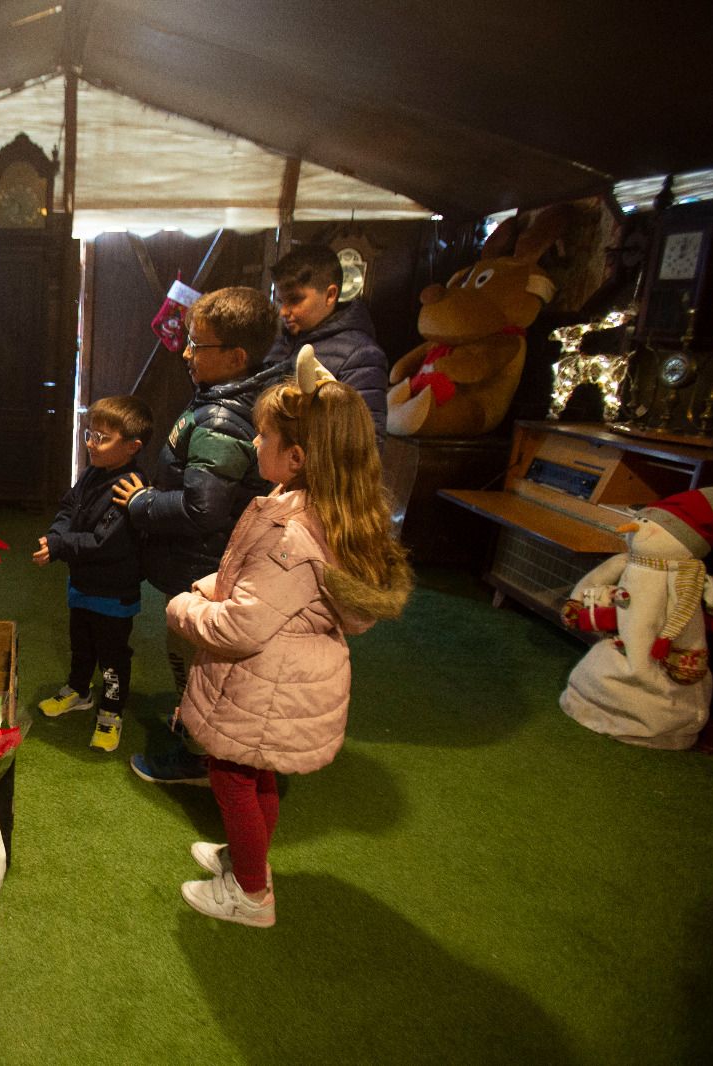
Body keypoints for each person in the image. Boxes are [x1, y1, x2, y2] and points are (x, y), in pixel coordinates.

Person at [171, 348, 411, 926]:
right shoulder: (312, 510)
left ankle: (252, 894)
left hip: (266, 681)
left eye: (263, 436)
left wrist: (183, 607)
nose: (255, 445)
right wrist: (214, 584)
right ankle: (246, 858)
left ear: (297, 456)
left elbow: (244, 623)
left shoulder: (293, 537)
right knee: (255, 773)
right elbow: (248, 581)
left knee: (231, 774)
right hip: (281, 675)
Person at [113, 286, 285, 783]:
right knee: (207, 659)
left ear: (236, 356)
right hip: (221, 558)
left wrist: (142, 503)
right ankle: (200, 732)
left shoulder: (221, 417)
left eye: (198, 345)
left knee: (194, 651)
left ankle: (199, 756)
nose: (187, 353)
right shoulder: (238, 396)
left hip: (205, 563)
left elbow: (202, 507)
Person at [33, 394, 153, 752]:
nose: (91, 444)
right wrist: (56, 536)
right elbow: (69, 507)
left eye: (103, 438)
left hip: (114, 592)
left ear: (132, 446)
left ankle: (112, 710)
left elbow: (105, 542)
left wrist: (59, 547)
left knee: (113, 656)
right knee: (81, 643)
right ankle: (79, 690)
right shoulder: (93, 474)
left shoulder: (130, 486)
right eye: (90, 434)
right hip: (83, 583)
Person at [261, 244, 389, 443]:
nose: (284, 311)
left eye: (295, 300)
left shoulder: (361, 355)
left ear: (330, 295)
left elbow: (367, 443)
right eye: (280, 301)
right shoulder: (279, 343)